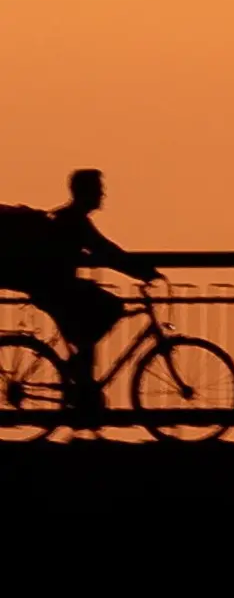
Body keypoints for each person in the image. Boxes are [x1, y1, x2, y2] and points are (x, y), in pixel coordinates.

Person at [14, 170, 161, 415]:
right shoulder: (75, 221)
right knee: (112, 307)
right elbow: (106, 251)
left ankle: (83, 388)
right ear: (86, 192)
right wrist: (143, 272)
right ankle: (77, 379)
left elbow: (103, 251)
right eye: (98, 188)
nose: (102, 193)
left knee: (90, 324)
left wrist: (136, 269)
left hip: (51, 288)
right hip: (55, 289)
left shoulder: (66, 217)